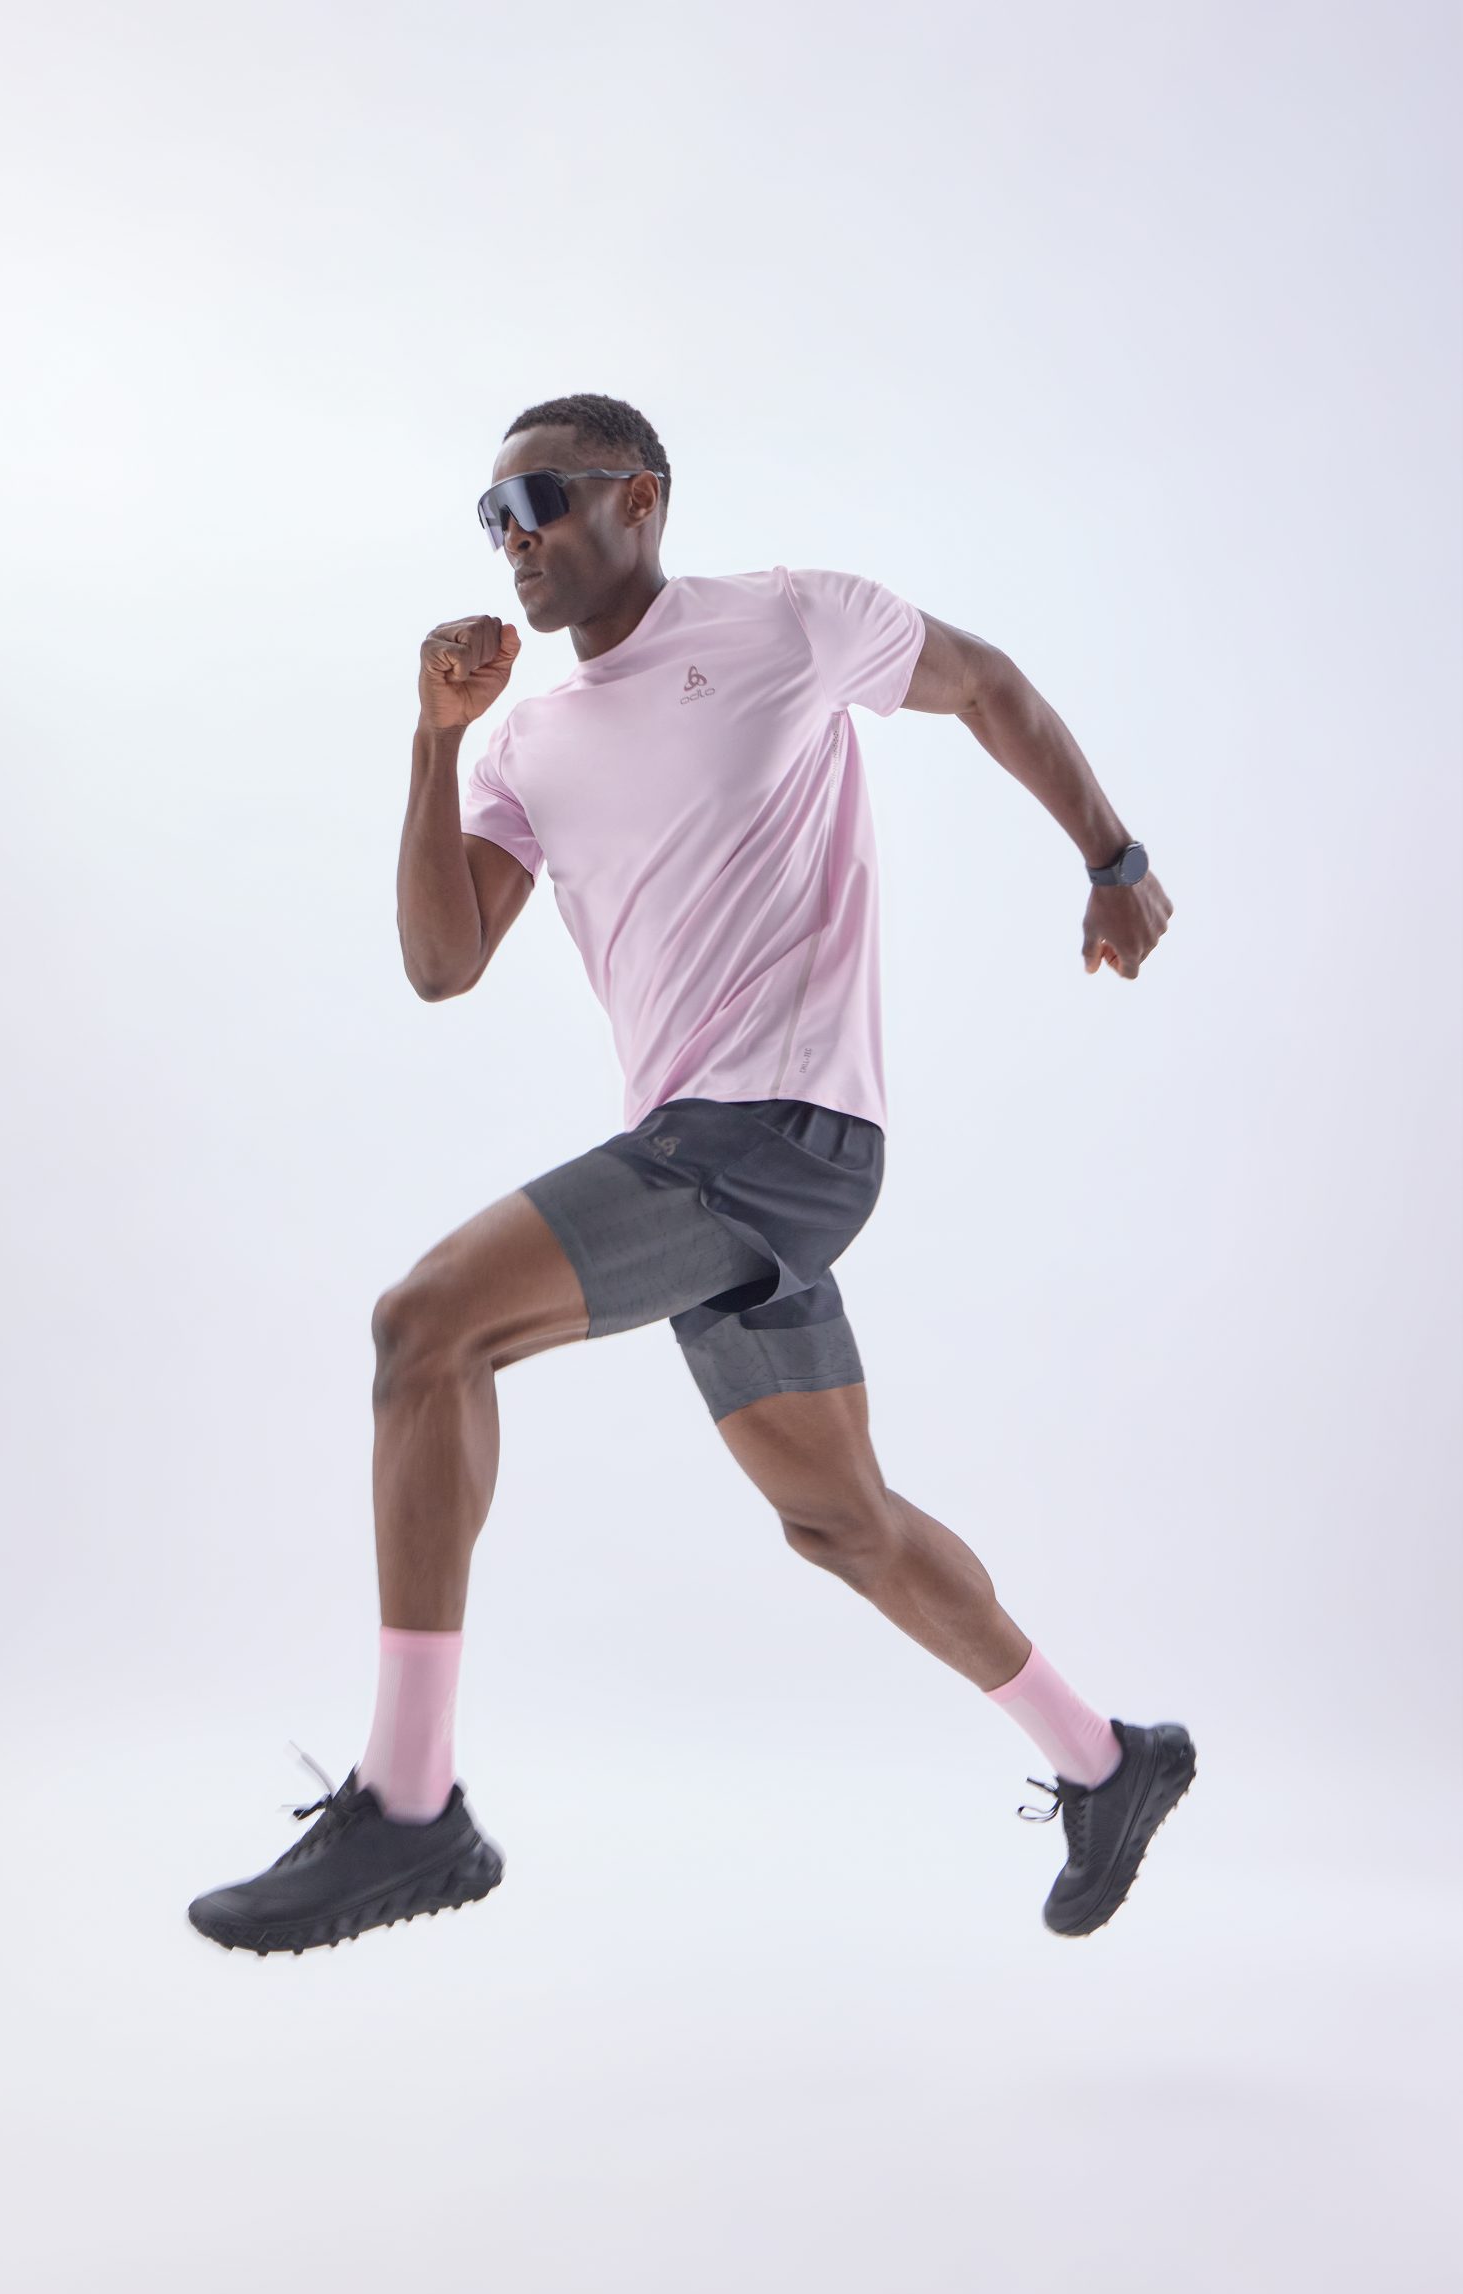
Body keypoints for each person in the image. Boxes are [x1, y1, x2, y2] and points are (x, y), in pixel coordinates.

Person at [188, 391, 1196, 1960]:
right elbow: (442, 964)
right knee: (843, 1522)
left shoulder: (789, 622)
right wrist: (436, 742)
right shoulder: (527, 741)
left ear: (638, 499)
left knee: (427, 1327)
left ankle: (409, 1801)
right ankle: (1107, 1761)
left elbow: (986, 683)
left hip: (779, 1136)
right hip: (707, 1167)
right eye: (491, 518)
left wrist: (1113, 858)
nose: (513, 541)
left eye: (539, 503)